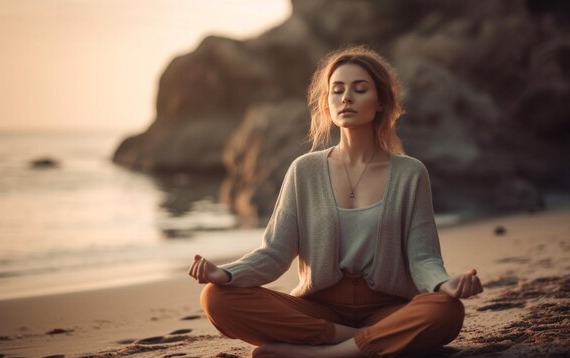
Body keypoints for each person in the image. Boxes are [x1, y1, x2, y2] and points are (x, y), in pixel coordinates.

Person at [188, 45, 483, 357]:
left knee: (446, 311)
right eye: (337, 90)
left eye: (360, 89)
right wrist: (227, 274)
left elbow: (423, 259)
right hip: (318, 308)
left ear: (381, 101)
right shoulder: (304, 170)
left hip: (387, 308)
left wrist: (444, 285)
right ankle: (363, 342)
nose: (346, 98)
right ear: (327, 104)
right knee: (216, 298)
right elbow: (275, 253)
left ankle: (323, 354)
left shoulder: (410, 173)